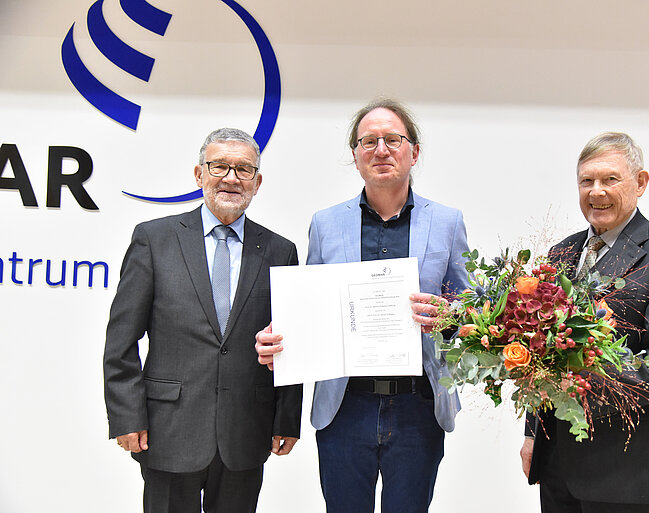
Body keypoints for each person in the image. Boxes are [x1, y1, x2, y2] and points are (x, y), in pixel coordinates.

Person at [255, 97, 470, 513]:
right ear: (355, 155)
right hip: (345, 405)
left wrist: (449, 317)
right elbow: (309, 308)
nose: (381, 150)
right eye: (368, 141)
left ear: (414, 152)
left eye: (393, 139)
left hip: (417, 405)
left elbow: (471, 308)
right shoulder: (325, 222)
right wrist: (281, 339)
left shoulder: (447, 222)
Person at [103, 128, 303, 513]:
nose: (231, 178)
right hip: (167, 429)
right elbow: (121, 340)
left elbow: (289, 342)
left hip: (246, 432)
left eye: (244, 169)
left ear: (257, 182)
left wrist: (287, 418)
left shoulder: (280, 250)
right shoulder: (154, 239)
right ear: (199, 175)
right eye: (219, 166)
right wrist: (127, 415)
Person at [519, 132, 649, 512]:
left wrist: (582, 385)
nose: (596, 191)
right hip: (557, 461)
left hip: (624, 464)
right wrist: (533, 435)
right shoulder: (563, 252)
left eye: (610, 179)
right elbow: (542, 350)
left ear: (640, 183)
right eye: (586, 181)